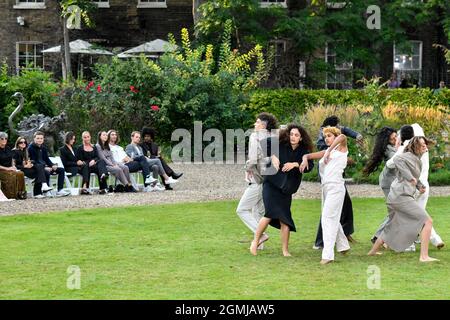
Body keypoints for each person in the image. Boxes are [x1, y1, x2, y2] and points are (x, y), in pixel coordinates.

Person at [368, 137, 439, 262]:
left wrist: (419, 186)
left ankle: (372, 252)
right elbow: (397, 159)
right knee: (427, 221)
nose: (425, 147)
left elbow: (415, 177)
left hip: (396, 196)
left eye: (425, 145)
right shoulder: (406, 156)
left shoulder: (418, 160)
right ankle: (424, 256)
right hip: (401, 197)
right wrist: (410, 177)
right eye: (422, 145)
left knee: (391, 225)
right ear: (415, 146)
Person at [250, 124, 314, 257]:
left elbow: (309, 167)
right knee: (269, 214)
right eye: (291, 134)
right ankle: (255, 241)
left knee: (285, 219)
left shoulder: (303, 151)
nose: (293, 137)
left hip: (286, 189)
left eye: (296, 135)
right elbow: (264, 143)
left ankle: (285, 250)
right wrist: (273, 156)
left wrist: (295, 164)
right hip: (271, 184)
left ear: (301, 138)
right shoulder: (281, 143)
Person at [301, 127, 351, 264]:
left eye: (329, 136)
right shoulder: (326, 152)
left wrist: (329, 150)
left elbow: (343, 137)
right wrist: (305, 159)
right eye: (325, 137)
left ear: (335, 137)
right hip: (326, 189)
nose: (327, 139)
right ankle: (343, 245)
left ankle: (327, 255)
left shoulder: (341, 149)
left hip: (336, 187)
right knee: (330, 217)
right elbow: (309, 156)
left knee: (327, 218)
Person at [313, 115, 362, 249]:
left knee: (343, 206)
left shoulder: (336, 132)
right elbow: (327, 151)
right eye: (338, 126)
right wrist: (332, 152)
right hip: (329, 178)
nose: (341, 128)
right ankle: (321, 241)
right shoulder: (323, 139)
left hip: (337, 178)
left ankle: (343, 237)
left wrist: (358, 136)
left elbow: (347, 132)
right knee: (328, 212)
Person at [236, 112, 278, 250]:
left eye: (257, 122)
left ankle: (261, 235)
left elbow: (253, 159)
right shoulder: (273, 136)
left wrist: (247, 167)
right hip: (269, 178)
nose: (255, 124)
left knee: (241, 210)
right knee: (258, 211)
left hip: (257, 179)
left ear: (263, 125)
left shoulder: (256, 136)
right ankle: (260, 245)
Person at [28, 131, 70, 197]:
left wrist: (52, 165)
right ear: (34, 139)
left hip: (45, 167)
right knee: (46, 172)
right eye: (38, 138)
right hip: (36, 168)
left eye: (41, 138)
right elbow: (33, 161)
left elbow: (47, 159)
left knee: (61, 170)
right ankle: (44, 191)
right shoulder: (31, 148)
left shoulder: (43, 148)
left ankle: (60, 190)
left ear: (43, 139)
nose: (40, 140)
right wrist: (44, 167)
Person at [0, 131, 27, 200]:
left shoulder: (8, 148)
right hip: (2, 170)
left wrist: (13, 166)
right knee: (12, 174)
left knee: (20, 173)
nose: (4, 140)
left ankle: (21, 193)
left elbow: (12, 159)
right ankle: (11, 195)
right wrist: (7, 169)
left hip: (10, 168)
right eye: (2, 138)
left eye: (5, 138)